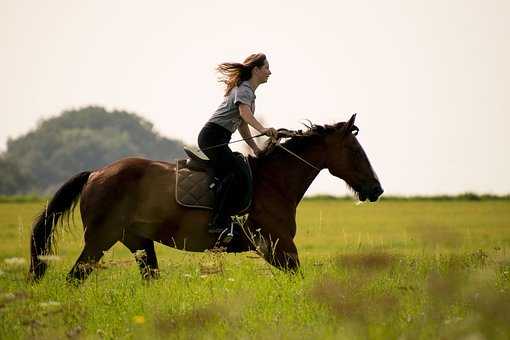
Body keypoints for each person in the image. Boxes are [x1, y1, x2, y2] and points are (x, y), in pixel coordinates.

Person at [198, 53, 278, 234]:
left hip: (219, 137)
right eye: (266, 68)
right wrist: (263, 129)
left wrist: (256, 148)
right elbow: (245, 114)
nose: (270, 72)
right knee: (236, 172)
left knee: (240, 168)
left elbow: (242, 125)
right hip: (212, 137)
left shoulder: (249, 93)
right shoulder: (244, 89)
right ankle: (219, 222)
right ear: (256, 70)